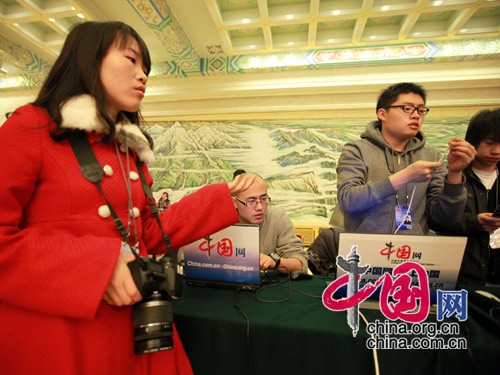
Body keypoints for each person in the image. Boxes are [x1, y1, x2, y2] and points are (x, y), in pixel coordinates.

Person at [0, 21, 256, 375]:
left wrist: (222, 196)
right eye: (131, 60)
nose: (142, 76)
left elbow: (148, 235)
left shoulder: (126, 149)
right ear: (89, 58)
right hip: (61, 332)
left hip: (132, 327)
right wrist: (96, 269)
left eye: (146, 68)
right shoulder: (31, 127)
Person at [337, 82, 476, 234]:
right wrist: (405, 176)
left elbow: (446, 218)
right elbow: (348, 200)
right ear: (382, 114)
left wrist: (455, 173)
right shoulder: (357, 150)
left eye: (421, 110)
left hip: (412, 251)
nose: (416, 115)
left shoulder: (431, 157)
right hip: (363, 250)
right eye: (407, 108)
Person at [431, 108, 500, 285]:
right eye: (490, 142)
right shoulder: (452, 176)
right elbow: (436, 221)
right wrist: (475, 222)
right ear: (474, 141)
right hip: (460, 276)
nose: (496, 151)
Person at [233, 173, 308, 273]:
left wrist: (275, 262)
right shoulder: (219, 222)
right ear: (234, 202)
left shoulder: (278, 218)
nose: (259, 207)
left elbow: (300, 264)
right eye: (251, 201)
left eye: (264, 199)